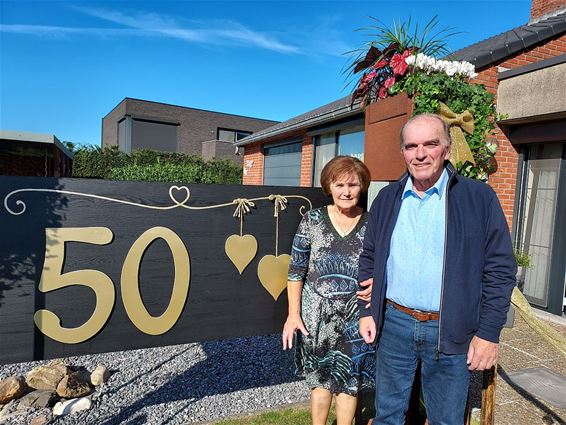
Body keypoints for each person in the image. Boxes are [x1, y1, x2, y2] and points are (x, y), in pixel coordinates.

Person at [358, 114, 517, 425]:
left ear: (447, 147)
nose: (420, 154)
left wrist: (488, 333)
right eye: (411, 146)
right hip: (394, 325)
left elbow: (500, 270)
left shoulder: (478, 198)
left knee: (446, 419)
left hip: (451, 330)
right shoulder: (387, 198)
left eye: (430, 144)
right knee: (387, 416)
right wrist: (367, 309)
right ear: (402, 151)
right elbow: (370, 255)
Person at [282, 155, 375, 425]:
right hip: (315, 318)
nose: (346, 192)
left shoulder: (371, 224)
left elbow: (383, 265)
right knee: (320, 383)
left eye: (353, 185)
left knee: (350, 383)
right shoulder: (312, 220)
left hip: (355, 317)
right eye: (340, 185)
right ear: (329, 187)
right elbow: (295, 271)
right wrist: (293, 314)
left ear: (362, 187)